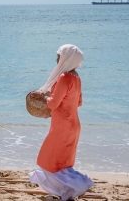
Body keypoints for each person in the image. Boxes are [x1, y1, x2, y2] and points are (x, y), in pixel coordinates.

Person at [28, 44, 93, 200]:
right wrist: (54, 96)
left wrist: (42, 96)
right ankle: (68, 189)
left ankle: (76, 186)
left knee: (49, 160)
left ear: (66, 58)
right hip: (73, 124)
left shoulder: (64, 77)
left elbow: (53, 104)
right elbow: (78, 102)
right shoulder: (76, 77)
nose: (57, 58)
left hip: (62, 125)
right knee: (62, 163)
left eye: (59, 55)